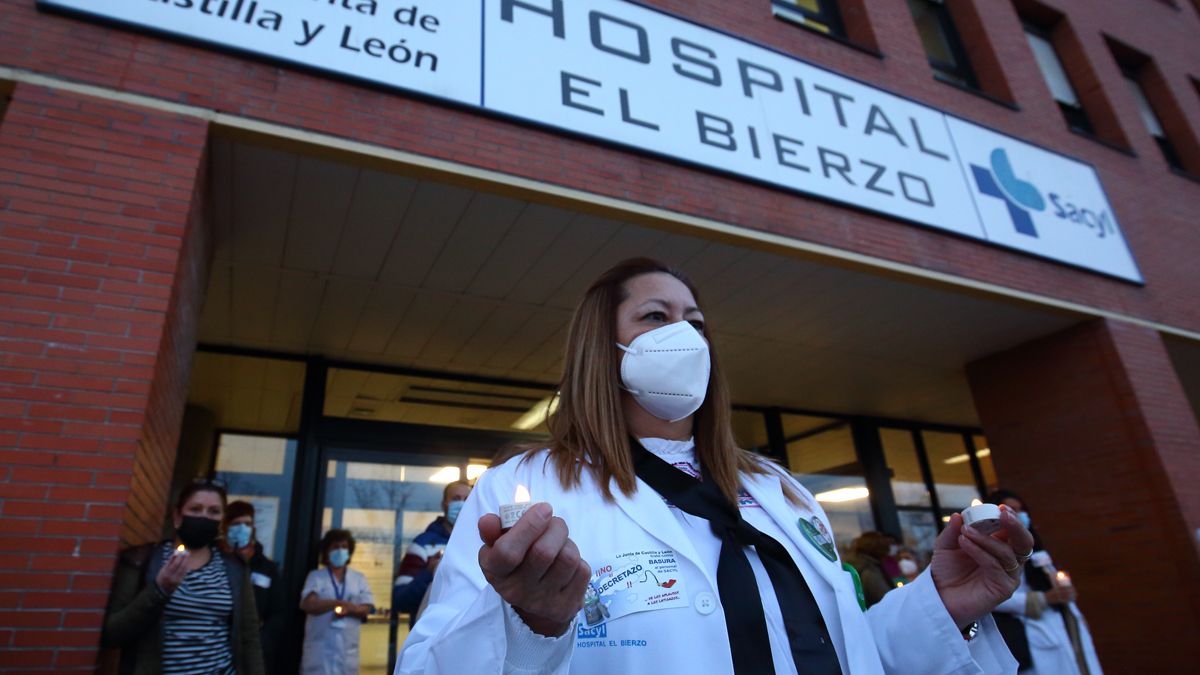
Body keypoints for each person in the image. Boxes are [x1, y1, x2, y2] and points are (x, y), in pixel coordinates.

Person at [397, 257, 1034, 674]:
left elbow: (844, 650)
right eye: (656, 317)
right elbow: (428, 666)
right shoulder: (526, 489)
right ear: (603, 346)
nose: (685, 336)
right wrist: (530, 624)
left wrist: (939, 606)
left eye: (696, 322)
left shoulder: (778, 490)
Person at [101, 479, 265, 675]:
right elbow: (112, 634)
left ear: (221, 522)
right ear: (178, 517)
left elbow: (249, 636)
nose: (204, 516)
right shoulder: (142, 562)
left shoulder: (234, 568)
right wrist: (159, 590)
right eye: (195, 509)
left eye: (213, 512)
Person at [987, 490, 1103, 674]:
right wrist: (1041, 599)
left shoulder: (1038, 552)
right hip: (1031, 633)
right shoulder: (997, 555)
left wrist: (1065, 592)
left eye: (1021, 510)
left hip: (1063, 627)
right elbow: (994, 595)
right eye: (1013, 510)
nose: (1021, 515)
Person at [393, 480, 472, 627]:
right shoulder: (422, 545)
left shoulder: (480, 542)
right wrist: (429, 572)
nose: (461, 504)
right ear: (444, 504)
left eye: (467, 499)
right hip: (430, 635)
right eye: (455, 499)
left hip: (469, 633)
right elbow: (400, 600)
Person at [300, 529, 376, 674]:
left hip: (347, 655)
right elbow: (308, 604)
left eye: (344, 547)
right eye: (335, 547)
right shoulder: (316, 577)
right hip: (319, 655)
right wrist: (338, 603)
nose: (340, 550)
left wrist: (349, 609)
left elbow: (366, 608)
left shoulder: (358, 578)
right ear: (327, 551)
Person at [223, 500, 285, 674]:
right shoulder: (214, 560)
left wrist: (262, 640)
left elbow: (278, 611)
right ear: (225, 527)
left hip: (252, 651)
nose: (242, 528)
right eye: (236, 524)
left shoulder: (267, 568)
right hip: (217, 648)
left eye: (247, 524)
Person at [846, 531, 897, 607]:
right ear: (878, 547)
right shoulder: (870, 571)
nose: (889, 547)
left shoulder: (863, 565)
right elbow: (887, 602)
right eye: (884, 544)